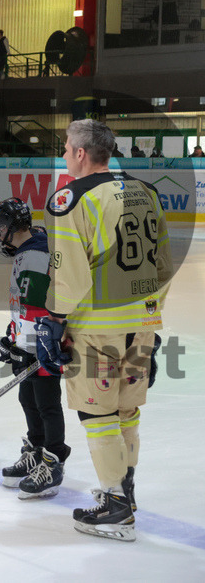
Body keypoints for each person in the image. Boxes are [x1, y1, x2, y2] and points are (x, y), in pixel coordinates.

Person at [37, 119, 172, 541]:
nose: (63, 154)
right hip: (142, 322)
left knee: (98, 414)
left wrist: (54, 321)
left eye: (65, 148)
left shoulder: (70, 199)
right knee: (127, 410)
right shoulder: (146, 191)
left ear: (80, 153)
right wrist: (151, 315)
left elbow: (70, 279)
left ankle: (114, 506)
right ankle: (124, 491)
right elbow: (163, 264)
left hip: (97, 328)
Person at [0, 197, 71, 496]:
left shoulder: (35, 254)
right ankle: (36, 450)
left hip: (43, 348)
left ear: (9, 227)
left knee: (47, 404)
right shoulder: (29, 249)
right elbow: (22, 307)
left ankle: (53, 461)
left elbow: (39, 308)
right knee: (28, 399)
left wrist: (29, 346)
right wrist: (13, 338)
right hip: (30, 343)